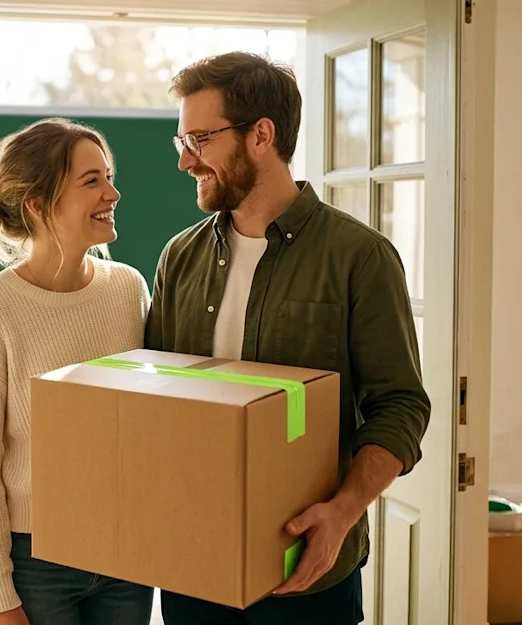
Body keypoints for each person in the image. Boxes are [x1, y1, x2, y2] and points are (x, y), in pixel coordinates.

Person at [145, 51, 432, 625]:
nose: (185, 161)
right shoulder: (180, 257)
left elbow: (401, 406)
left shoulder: (360, 257)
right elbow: (157, 402)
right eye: (181, 142)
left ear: (262, 135)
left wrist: (344, 512)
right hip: (192, 564)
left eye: (198, 140)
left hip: (307, 572)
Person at [0, 118, 155, 625]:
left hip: (128, 553)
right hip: (34, 564)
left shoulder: (129, 290)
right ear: (39, 205)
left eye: (107, 175)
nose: (113, 191)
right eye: (92, 181)